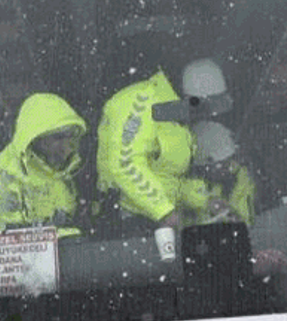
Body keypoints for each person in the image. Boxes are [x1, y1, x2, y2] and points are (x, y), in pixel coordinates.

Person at [96, 58, 232, 231]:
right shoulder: (140, 102)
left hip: (159, 221)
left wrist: (206, 201)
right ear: (193, 98)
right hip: (127, 222)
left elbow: (170, 180)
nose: (205, 115)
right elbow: (125, 163)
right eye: (205, 107)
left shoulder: (177, 115)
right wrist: (164, 211)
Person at [0, 93, 88, 232]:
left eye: (71, 136)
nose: (67, 146)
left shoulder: (64, 171)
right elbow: (10, 240)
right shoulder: (6, 178)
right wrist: (71, 236)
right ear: (35, 137)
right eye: (58, 137)